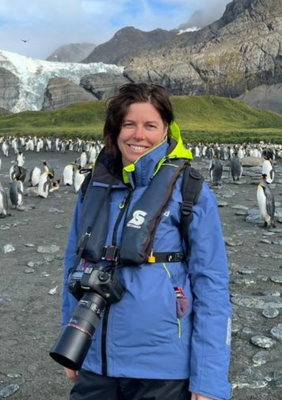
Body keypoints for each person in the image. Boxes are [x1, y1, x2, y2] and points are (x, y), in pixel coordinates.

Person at [58, 83, 231, 400]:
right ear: (115, 129)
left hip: (162, 370)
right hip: (96, 360)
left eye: (150, 125)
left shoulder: (189, 190)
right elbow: (74, 266)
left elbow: (212, 283)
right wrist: (71, 340)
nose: (139, 135)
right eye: (129, 124)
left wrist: (209, 378)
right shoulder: (95, 186)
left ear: (166, 129)